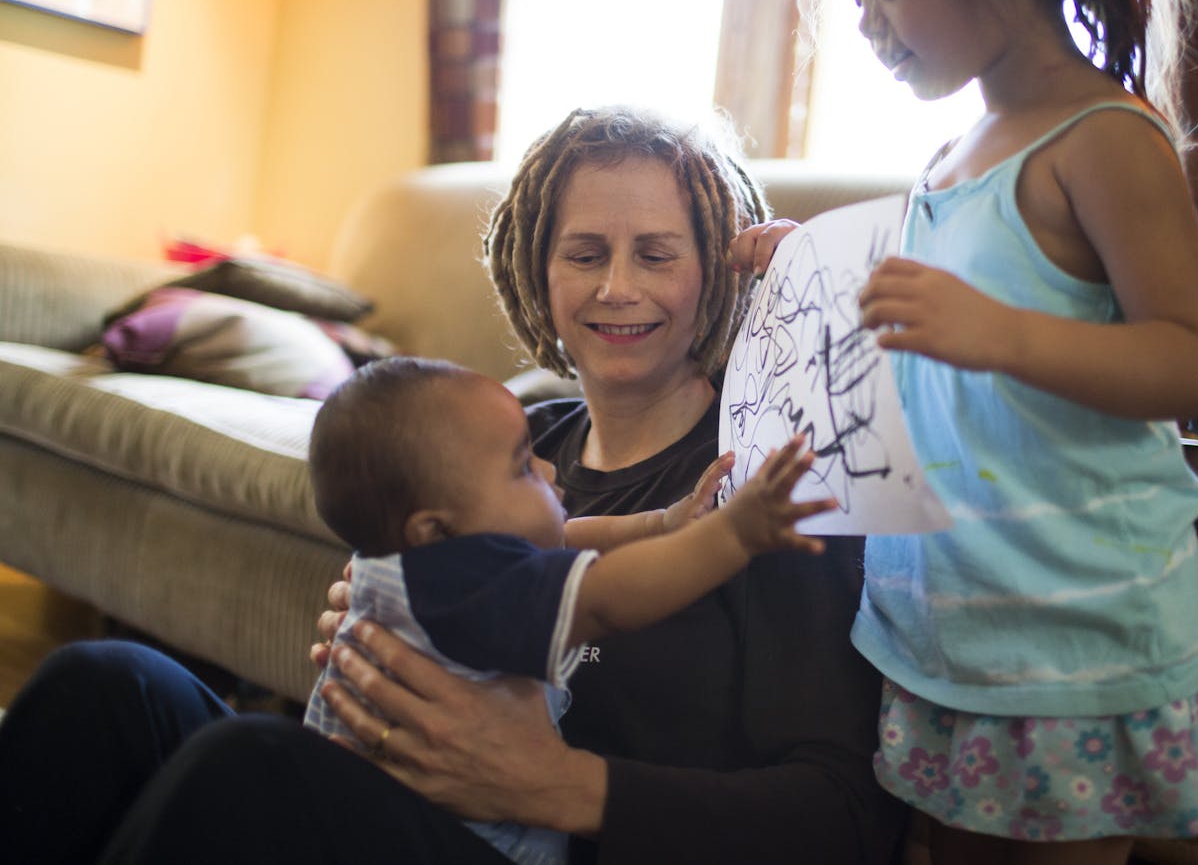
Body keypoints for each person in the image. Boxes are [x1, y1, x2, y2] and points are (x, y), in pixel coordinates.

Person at [0, 106, 906, 865]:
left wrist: (560, 785)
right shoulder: (512, 439)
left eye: (657, 254)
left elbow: (844, 819)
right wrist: (378, 628)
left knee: (248, 761)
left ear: (715, 269)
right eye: (585, 253)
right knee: (107, 681)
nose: (617, 287)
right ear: (536, 269)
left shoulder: (774, 477)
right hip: (419, 814)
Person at [733, 0, 1198, 863]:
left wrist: (1004, 334)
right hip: (954, 619)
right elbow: (928, 329)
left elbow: (1195, 360)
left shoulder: (1103, 136)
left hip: (1074, 628)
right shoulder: (948, 158)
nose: (866, 22)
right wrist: (814, 266)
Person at [303, 355, 833, 865]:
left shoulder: (416, 566)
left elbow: (565, 538)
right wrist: (732, 534)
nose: (546, 466)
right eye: (521, 469)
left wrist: (658, 525)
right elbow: (607, 597)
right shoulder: (469, 583)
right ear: (437, 530)